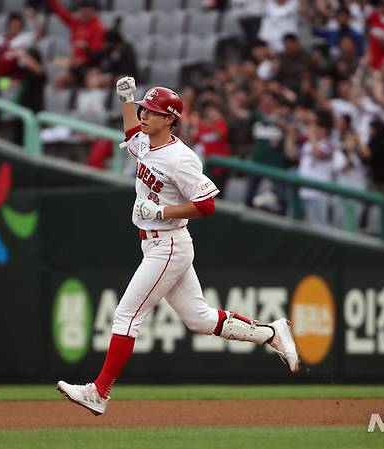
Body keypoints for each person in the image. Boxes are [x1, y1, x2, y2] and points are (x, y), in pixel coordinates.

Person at [56, 77, 300, 415]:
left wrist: (161, 210)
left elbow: (207, 203)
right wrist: (127, 99)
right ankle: (271, 333)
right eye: (144, 109)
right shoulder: (143, 140)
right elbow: (131, 135)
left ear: (170, 118)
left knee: (126, 315)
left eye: (153, 112)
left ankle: (99, 392)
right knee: (199, 319)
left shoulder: (181, 158)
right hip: (159, 244)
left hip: (168, 244)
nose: (144, 115)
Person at [48, 0, 105, 88]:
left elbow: (95, 53)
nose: (83, 15)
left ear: (93, 12)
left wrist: (82, 59)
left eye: (86, 12)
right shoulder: (76, 23)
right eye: (82, 12)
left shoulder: (98, 27)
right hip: (75, 66)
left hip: (89, 66)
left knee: (92, 82)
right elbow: (61, 13)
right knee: (58, 81)